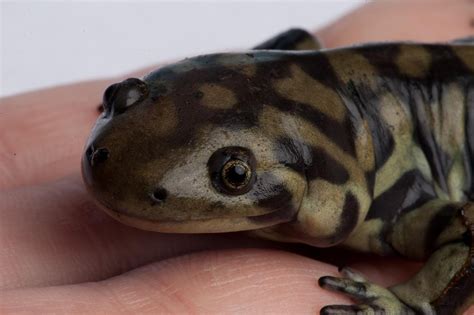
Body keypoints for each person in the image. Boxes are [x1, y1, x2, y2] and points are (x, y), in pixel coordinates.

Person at [1, 1, 473, 313]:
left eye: (234, 174)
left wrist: (415, 304)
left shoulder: (401, 208)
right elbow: (293, 45)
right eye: (124, 100)